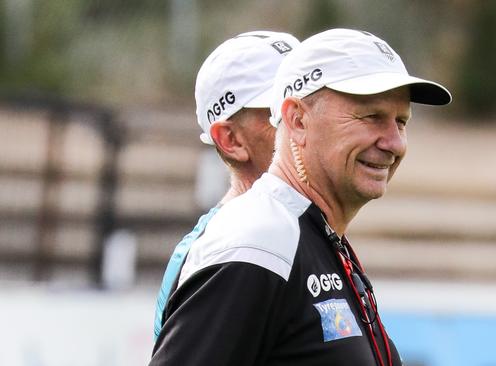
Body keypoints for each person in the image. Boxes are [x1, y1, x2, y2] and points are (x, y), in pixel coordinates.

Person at [149, 28, 451, 366]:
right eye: (371, 117)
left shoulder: (310, 234)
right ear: (296, 119)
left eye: (401, 122)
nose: (394, 143)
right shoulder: (257, 243)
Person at [152, 30, 300, 341]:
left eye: (311, 103)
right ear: (230, 140)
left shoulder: (305, 230)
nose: (302, 122)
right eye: (279, 113)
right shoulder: (229, 253)